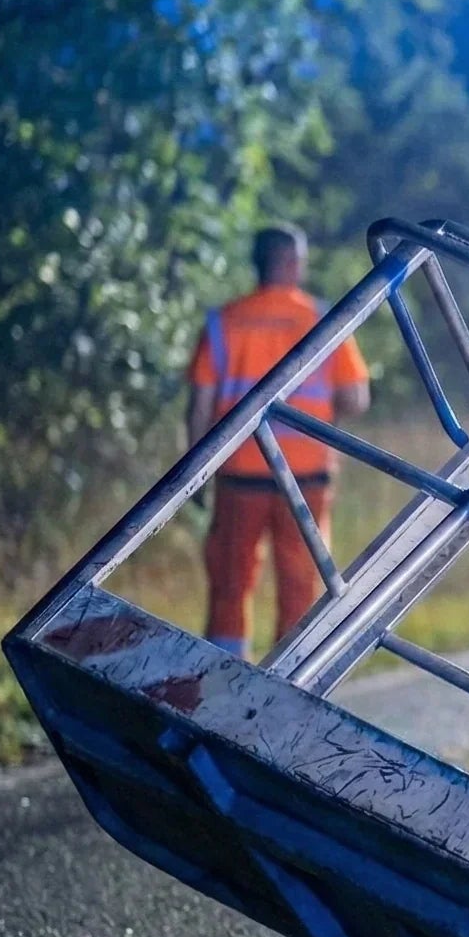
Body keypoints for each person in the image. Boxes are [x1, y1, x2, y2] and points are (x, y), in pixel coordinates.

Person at [186, 226, 371, 657]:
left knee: (230, 582)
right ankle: (290, 672)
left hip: (238, 473)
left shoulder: (223, 321)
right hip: (305, 477)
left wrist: (194, 474)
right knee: (300, 580)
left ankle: (222, 674)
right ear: (291, 263)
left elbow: (198, 406)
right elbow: (356, 398)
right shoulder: (322, 318)